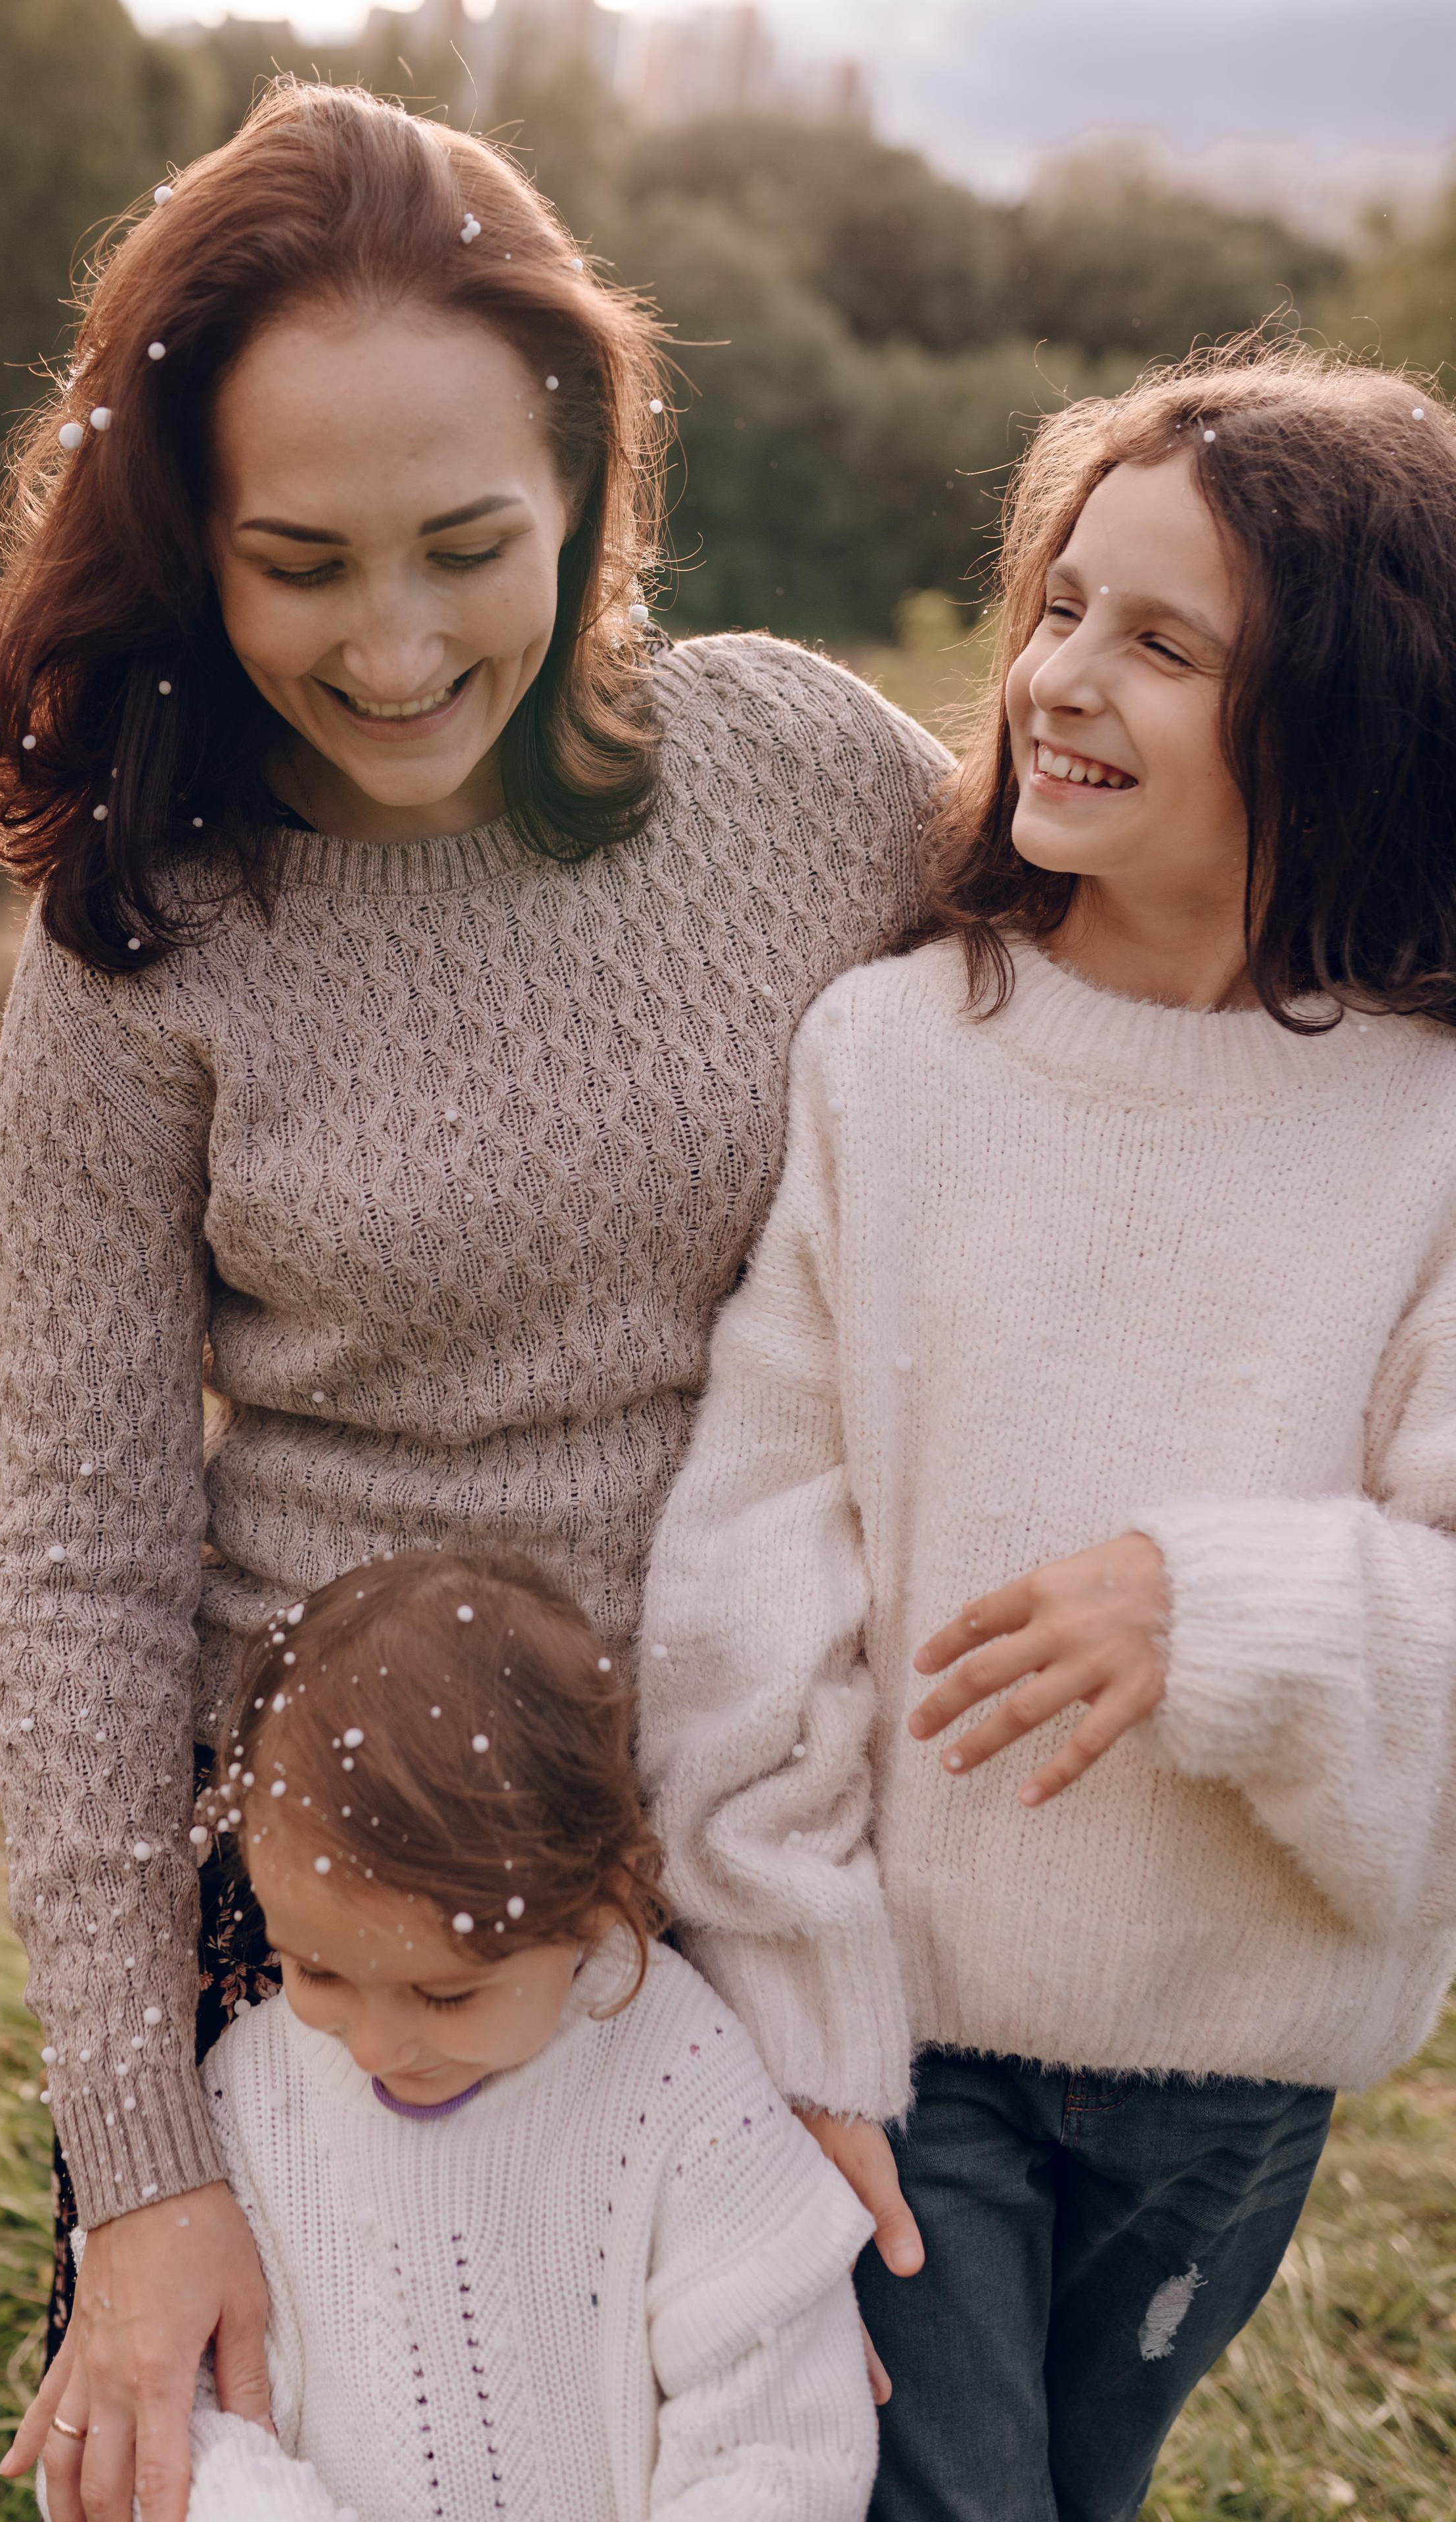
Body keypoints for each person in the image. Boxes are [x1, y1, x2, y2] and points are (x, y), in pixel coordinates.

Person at [0, 76, 946, 2522]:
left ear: (593, 487)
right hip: (324, 1940)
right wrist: (142, 2162)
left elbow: (1113, 1051)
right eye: (299, 563)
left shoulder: (813, 780)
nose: (395, 650)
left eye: (466, 547)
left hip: (759, 1861)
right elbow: (85, 1558)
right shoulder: (137, 941)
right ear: (187, 545)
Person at [638, 342, 1456, 2522]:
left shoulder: (1429, 1132)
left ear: (1345, 721)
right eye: (1064, 605)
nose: (1064, 677)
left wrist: (1222, 1610)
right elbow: (751, 1551)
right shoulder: (897, 1061)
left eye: (1164, 643)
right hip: (908, 2045)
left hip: (1239, 2085)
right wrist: (793, 1980)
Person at [51, 1547, 878, 2522]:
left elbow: (778, 2438)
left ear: (595, 1905)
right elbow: (185, 2420)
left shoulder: (683, 2077)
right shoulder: (250, 2093)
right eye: (316, 1971)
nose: (372, 2047)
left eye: (445, 1997)